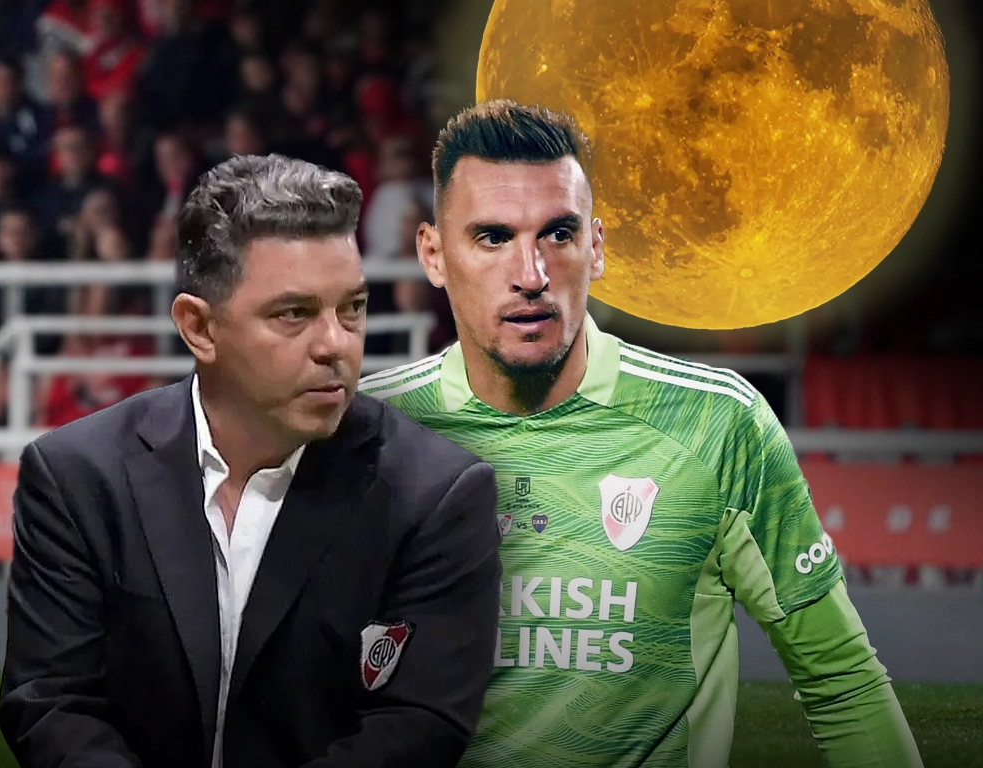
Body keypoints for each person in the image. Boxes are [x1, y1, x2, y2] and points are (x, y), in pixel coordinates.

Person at [361, 100, 922, 768]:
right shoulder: (367, 432)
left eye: (558, 234)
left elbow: (842, 680)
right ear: (433, 254)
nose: (531, 275)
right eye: (492, 238)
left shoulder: (716, 424)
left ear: (596, 248)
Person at [0, 153, 503, 768]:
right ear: (199, 328)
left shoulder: (438, 495)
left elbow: (420, 723)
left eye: (352, 307)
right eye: (294, 313)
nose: (336, 344)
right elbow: (49, 700)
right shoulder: (77, 475)